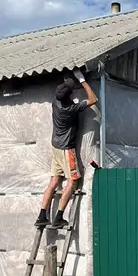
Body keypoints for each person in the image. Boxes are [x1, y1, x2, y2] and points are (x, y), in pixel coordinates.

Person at [35, 68, 98, 228]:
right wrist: (82, 81)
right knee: (72, 181)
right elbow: (93, 99)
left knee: (54, 180)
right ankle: (58, 218)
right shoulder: (70, 109)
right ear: (70, 95)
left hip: (55, 146)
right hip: (65, 149)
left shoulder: (56, 102)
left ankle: (42, 215)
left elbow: (63, 87)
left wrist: (67, 79)